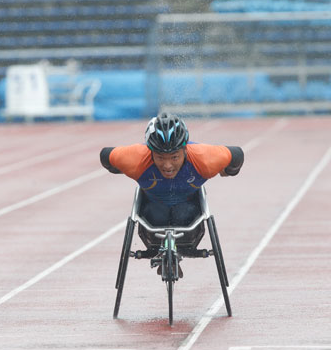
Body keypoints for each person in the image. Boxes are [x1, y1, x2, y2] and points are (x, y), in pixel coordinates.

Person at [100, 113, 244, 274]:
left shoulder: (205, 159)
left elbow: (237, 155)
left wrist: (229, 170)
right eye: (160, 158)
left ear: (185, 150)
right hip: (151, 216)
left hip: (191, 217)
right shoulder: (136, 159)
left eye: (174, 157)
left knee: (183, 211)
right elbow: (105, 156)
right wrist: (120, 168)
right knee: (156, 212)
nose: (167, 165)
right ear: (150, 152)